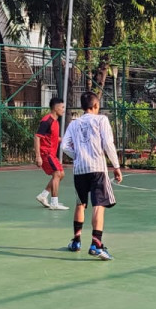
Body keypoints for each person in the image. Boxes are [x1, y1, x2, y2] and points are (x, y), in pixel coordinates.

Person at [60, 90, 122, 261]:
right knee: (99, 205)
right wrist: (116, 166)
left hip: (80, 169)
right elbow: (108, 144)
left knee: (80, 204)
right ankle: (96, 244)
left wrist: (77, 155)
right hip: (97, 168)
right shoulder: (102, 120)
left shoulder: (74, 124)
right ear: (95, 105)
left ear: (82, 107)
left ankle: (76, 241)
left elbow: (65, 146)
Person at [34, 96, 69, 211]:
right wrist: (38, 156)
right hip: (46, 153)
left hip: (51, 154)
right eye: (62, 107)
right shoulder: (47, 121)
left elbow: (52, 138)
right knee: (57, 174)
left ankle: (43, 196)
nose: (64, 109)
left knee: (61, 174)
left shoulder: (55, 121)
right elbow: (37, 137)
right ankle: (54, 203)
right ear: (56, 107)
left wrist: (65, 140)